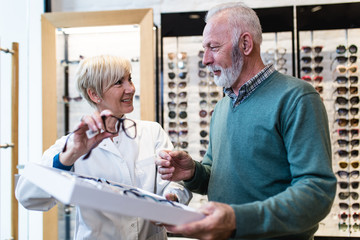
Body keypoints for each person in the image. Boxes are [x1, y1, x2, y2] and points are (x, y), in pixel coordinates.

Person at [156, 2, 336, 240]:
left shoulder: (296, 98)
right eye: (204, 48)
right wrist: (192, 173)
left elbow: (316, 192)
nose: (205, 60)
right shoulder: (221, 107)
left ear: (245, 44)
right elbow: (217, 174)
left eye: (214, 47)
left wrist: (237, 220)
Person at [16, 55, 192, 240]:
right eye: (118, 82)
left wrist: (171, 199)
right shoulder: (70, 145)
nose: (130, 88)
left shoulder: (152, 132)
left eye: (129, 79)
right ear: (94, 94)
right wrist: (70, 156)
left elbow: (175, 181)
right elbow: (28, 196)